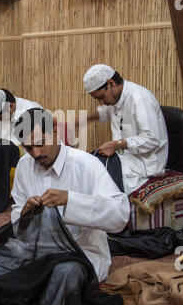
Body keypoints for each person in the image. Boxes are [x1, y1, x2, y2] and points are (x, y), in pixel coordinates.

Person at [10, 108, 130, 283]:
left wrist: (70, 200)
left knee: (60, 276)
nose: (36, 153)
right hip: (38, 250)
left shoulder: (86, 164)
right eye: (28, 148)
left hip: (81, 252)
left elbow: (120, 215)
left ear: (55, 131)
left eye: (40, 143)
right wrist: (24, 214)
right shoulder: (24, 165)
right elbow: (17, 221)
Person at [82, 64, 169, 195]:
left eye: (101, 97)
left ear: (111, 83)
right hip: (126, 157)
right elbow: (105, 112)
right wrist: (79, 121)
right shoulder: (115, 98)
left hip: (147, 162)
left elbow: (152, 139)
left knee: (102, 179)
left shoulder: (139, 98)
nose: (101, 102)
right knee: (89, 164)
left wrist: (116, 145)